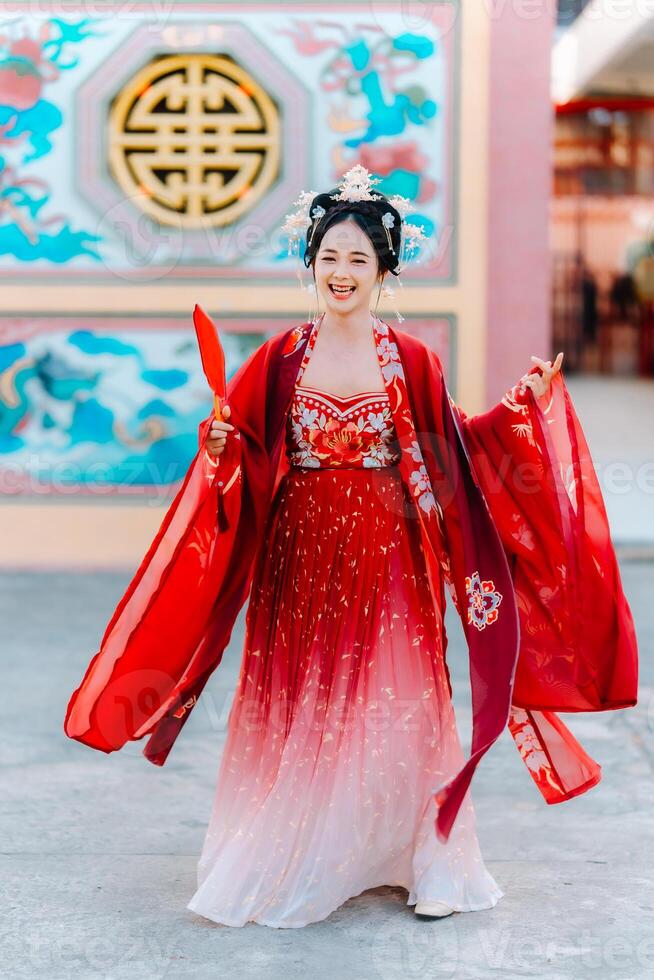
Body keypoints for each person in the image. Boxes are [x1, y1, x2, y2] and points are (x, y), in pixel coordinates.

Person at [64, 166, 638, 930]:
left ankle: (428, 858)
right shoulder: (279, 360)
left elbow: (458, 452)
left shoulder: (411, 362)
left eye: (358, 260)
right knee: (306, 704)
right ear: (311, 260)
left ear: (384, 270)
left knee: (400, 703)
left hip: (391, 555)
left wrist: (520, 410)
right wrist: (223, 447)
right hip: (296, 558)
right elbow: (238, 463)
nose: (341, 273)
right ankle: (300, 852)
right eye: (329, 256)